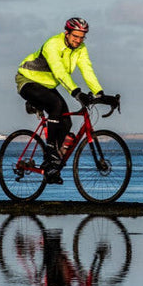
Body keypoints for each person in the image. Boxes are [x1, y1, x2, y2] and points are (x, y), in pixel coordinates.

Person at [16, 17, 105, 184]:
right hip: (27, 81)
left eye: (81, 37)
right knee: (55, 105)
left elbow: (87, 70)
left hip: (47, 86)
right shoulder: (53, 45)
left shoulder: (80, 49)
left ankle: (51, 166)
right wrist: (77, 93)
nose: (78, 41)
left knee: (66, 122)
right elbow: (59, 73)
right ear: (67, 33)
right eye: (75, 37)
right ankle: (51, 152)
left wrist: (100, 93)